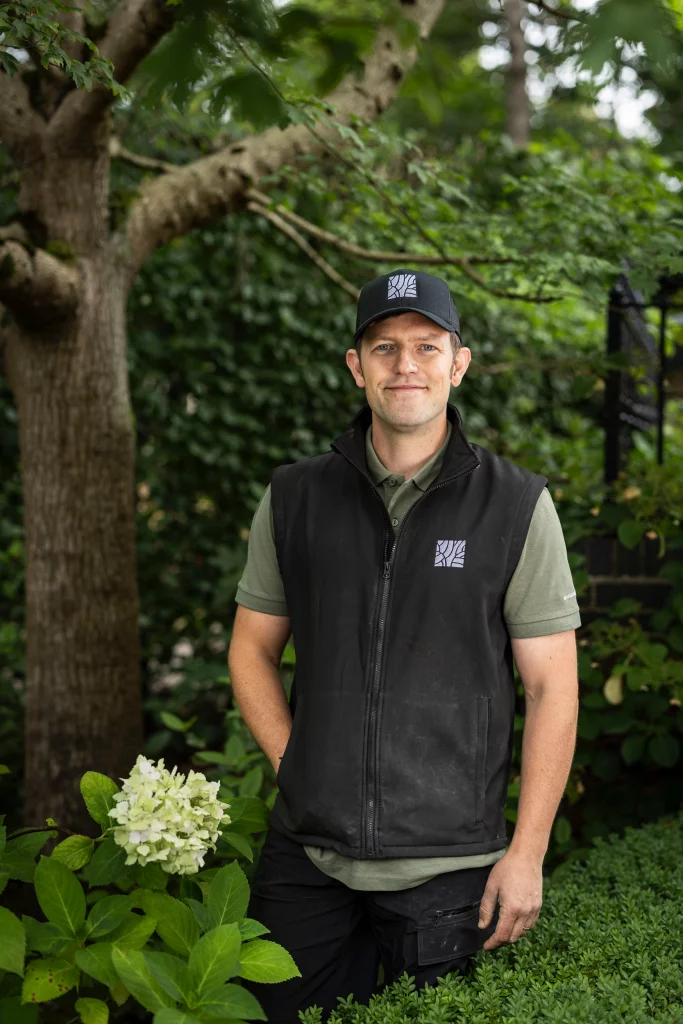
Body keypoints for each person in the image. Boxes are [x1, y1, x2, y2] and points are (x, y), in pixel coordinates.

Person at [228, 268, 580, 1023]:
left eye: (426, 345)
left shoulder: (516, 506)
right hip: (308, 863)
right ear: (356, 367)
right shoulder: (294, 497)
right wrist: (296, 762)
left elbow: (553, 687)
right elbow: (250, 650)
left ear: (459, 363)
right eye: (384, 348)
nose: (405, 365)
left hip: (450, 869)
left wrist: (525, 855)